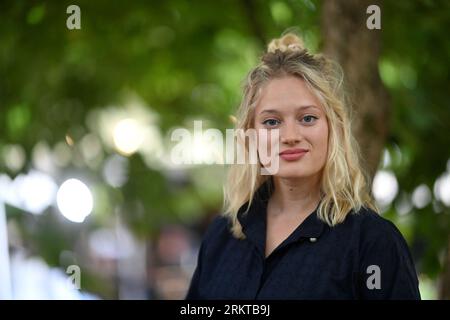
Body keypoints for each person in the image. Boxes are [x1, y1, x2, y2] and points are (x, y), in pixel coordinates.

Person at [185, 32, 420, 299]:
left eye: (307, 118)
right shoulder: (221, 237)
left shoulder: (373, 242)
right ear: (251, 135)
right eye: (272, 122)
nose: (290, 136)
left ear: (334, 128)